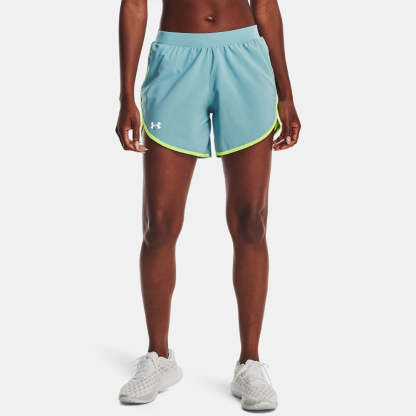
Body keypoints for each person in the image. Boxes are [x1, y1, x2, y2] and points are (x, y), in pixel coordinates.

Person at [115, 0, 300, 410]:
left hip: (244, 58)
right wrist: (126, 94)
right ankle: (159, 356)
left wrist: (286, 94)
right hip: (175, 60)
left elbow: (265, 5)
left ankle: (250, 362)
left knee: (251, 221)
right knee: (159, 223)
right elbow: (135, 4)